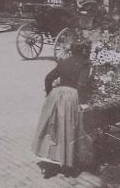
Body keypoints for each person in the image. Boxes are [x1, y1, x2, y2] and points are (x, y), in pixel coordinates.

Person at [32, 41, 94, 178]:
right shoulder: (85, 63)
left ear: (71, 50)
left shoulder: (64, 61)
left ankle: (49, 159)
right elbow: (81, 85)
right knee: (69, 128)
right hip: (71, 96)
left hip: (56, 94)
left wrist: (49, 93)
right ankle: (67, 162)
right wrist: (82, 102)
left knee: (52, 128)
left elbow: (48, 78)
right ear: (83, 50)